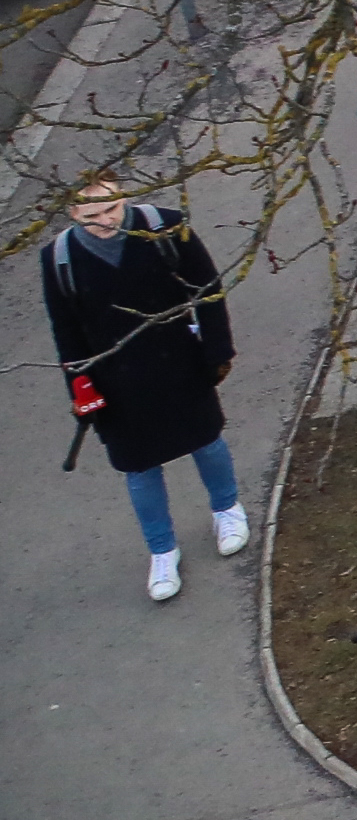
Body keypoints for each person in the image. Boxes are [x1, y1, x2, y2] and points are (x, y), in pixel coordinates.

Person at [42, 176, 240, 602]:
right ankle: (162, 551)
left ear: (124, 200)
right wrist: (81, 392)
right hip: (116, 381)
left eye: (111, 210)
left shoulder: (166, 227)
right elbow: (67, 332)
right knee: (138, 468)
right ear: (73, 215)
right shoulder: (59, 259)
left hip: (178, 360)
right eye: (91, 216)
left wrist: (216, 350)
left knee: (205, 441)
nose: (105, 222)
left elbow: (207, 290)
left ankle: (227, 509)